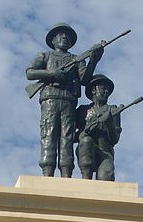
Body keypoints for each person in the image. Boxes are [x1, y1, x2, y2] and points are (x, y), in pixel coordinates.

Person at [26, 23, 103, 177]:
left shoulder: (76, 59)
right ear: (53, 40)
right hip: (50, 98)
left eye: (67, 36)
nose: (64, 38)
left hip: (68, 101)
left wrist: (94, 60)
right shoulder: (45, 56)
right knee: (49, 133)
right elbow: (30, 73)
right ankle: (47, 171)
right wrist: (52, 74)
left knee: (67, 137)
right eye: (61, 35)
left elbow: (85, 79)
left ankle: (66, 173)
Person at [75, 74, 121, 181]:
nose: (106, 91)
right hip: (86, 151)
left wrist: (109, 123)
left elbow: (115, 140)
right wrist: (85, 132)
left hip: (105, 153)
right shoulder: (82, 111)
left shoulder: (113, 110)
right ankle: (86, 181)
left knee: (106, 177)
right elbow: (69, 135)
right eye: (103, 88)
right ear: (93, 90)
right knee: (86, 141)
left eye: (108, 89)